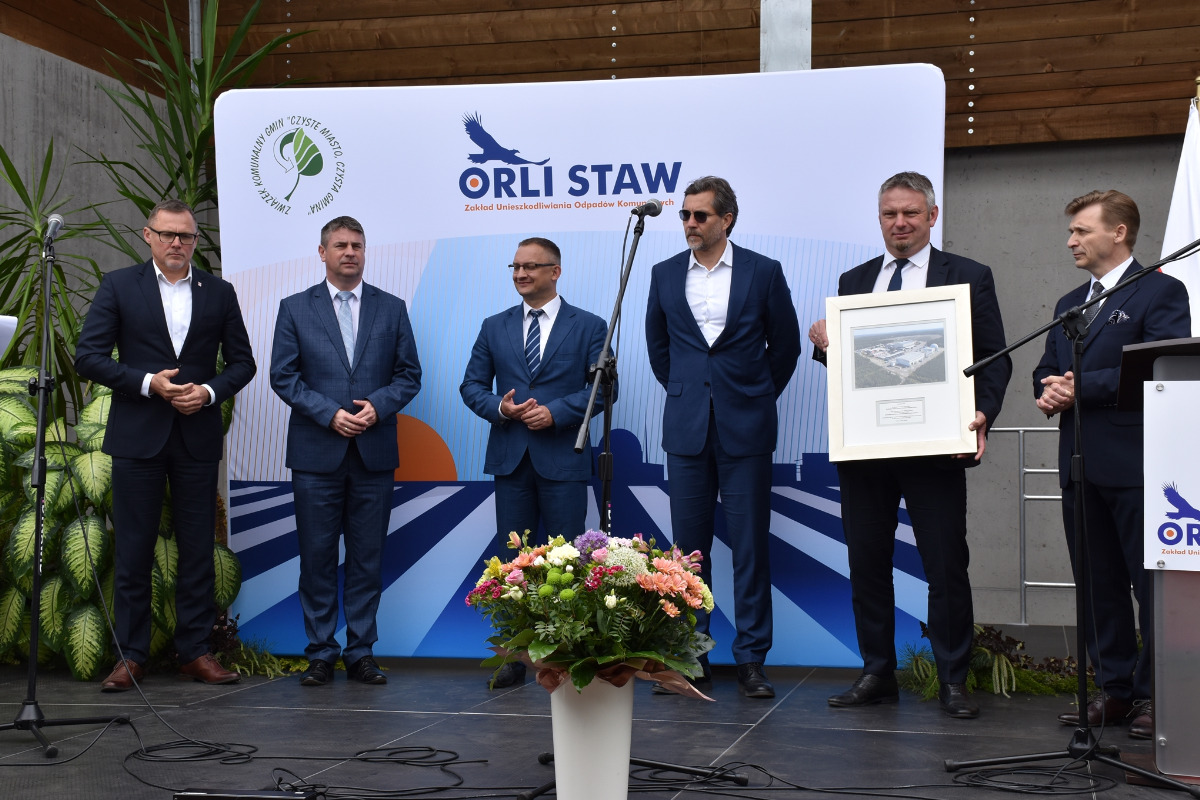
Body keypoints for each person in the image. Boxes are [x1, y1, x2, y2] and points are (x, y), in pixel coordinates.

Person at [809, 171, 1011, 719]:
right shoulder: (854, 280)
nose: (899, 223)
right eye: (889, 214)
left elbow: (995, 357)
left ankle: (953, 679)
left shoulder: (968, 276)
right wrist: (825, 344)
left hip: (936, 449)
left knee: (945, 566)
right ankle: (877, 672)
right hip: (866, 452)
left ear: (932, 216)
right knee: (867, 564)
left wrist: (982, 413)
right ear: (879, 218)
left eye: (910, 213)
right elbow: (855, 369)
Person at [75, 199, 256, 691]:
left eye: (187, 236)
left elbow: (242, 363)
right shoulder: (119, 286)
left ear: (195, 241)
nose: (177, 243)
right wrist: (147, 383)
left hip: (196, 436)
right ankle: (131, 656)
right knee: (133, 549)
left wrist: (209, 392)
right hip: (138, 436)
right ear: (148, 235)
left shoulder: (219, 292)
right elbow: (88, 356)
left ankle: (195, 652)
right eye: (168, 234)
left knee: (197, 549)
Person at [1033, 190, 1190, 739]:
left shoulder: (1160, 291)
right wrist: (1048, 389)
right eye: (1071, 231)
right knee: (1098, 587)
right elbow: (1047, 367)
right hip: (1080, 465)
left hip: (1139, 466)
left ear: (1118, 232)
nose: (1071, 241)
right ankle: (1115, 690)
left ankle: (1155, 696)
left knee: (1151, 588)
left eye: (1081, 230)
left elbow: (1161, 366)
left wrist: (1081, 387)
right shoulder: (1069, 303)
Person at [645, 176, 802, 698]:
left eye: (701, 215)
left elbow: (785, 347)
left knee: (750, 548)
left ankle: (752, 660)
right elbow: (659, 349)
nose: (690, 224)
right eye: (685, 215)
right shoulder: (664, 273)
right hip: (686, 429)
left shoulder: (763, 271)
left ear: (726, 219)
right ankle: (692, 657)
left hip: (747, 428)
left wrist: (752, 395)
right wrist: (689, 392)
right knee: (687, 554)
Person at [270, 215, 422, 687]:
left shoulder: (391, 308)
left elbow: (409, 375)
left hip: (374, 454)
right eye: (340, 245)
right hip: (316, 454)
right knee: (316, 557)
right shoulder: (295, 308)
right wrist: (329, 414)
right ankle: (320, 653)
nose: (350, 252)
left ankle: (361, 653)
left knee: (366, 558)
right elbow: (283, 376)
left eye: (357, 244)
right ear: (323, 253)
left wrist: (378, 406)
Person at [460, 237, 611, 688]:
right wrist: (501, 408)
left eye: (530, 266)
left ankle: (569, 652)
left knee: (568, 560)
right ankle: (515, 656)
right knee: (514, 563)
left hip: (563, 458)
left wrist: (557, 412)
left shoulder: (590, 326)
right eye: (515, 267)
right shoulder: (494, 326)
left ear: (555, 271)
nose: (521, 274)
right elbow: (471, 386)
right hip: (511, 460)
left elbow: (604, 389)